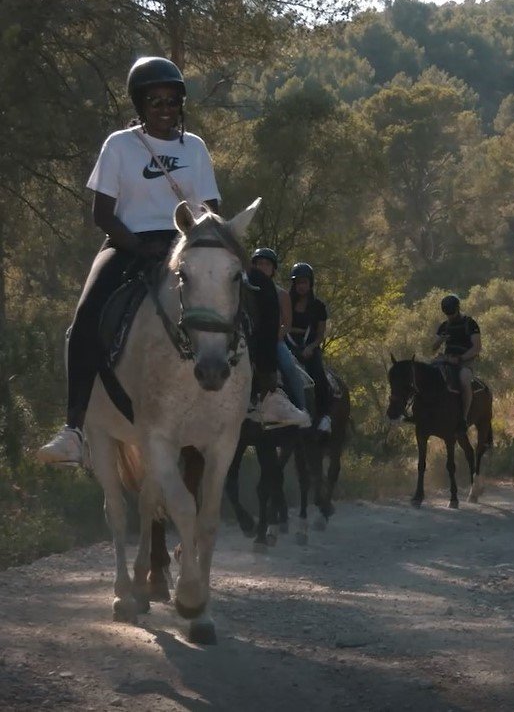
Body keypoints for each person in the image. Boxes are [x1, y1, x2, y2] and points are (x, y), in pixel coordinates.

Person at [38, 57, 224, 467]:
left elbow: (210, 209)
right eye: (154, 99)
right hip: (127, 244)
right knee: (85, 318)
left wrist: (195, 246)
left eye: (172, 99)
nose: (164, 107)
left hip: (185, 246)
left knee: (248, 295)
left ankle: (263, 396)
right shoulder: (119, 145)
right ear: (140, 104)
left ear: (181, 103)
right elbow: (102, 213)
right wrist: (139, 248)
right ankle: (74, 430)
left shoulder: (194, 148)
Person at [245, 247, 310, 428]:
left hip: (274, 340)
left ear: (273, 269)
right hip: (249, 339)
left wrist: (274, 338)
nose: (262, 267)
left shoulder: (281, 294)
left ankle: (300, 407)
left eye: (266, 264)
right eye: (258, 264)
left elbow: (286, 324)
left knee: (289, 367)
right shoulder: (247, 290)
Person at [286, 263, 332, 435]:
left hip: (309, 346)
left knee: (318, 373)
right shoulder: (286, 302)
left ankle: (325, 416)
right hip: (288, 344)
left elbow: (320, 334)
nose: (301, 286)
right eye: (298, 283)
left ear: (310, 283)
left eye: (304, 282)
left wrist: (311, 347)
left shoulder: (318, 306)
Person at [429, 294, 481, 429]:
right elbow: (433, 348)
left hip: (465, 360)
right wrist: (441, 339)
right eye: (447, 314)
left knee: (464, 379)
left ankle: (463, 417)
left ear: (458, 309)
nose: (450, 316)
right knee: (428, 374)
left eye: (452, 313)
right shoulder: (444, 326)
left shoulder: (470, 323)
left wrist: (460, 358)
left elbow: (476, 348)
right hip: (446, 359)